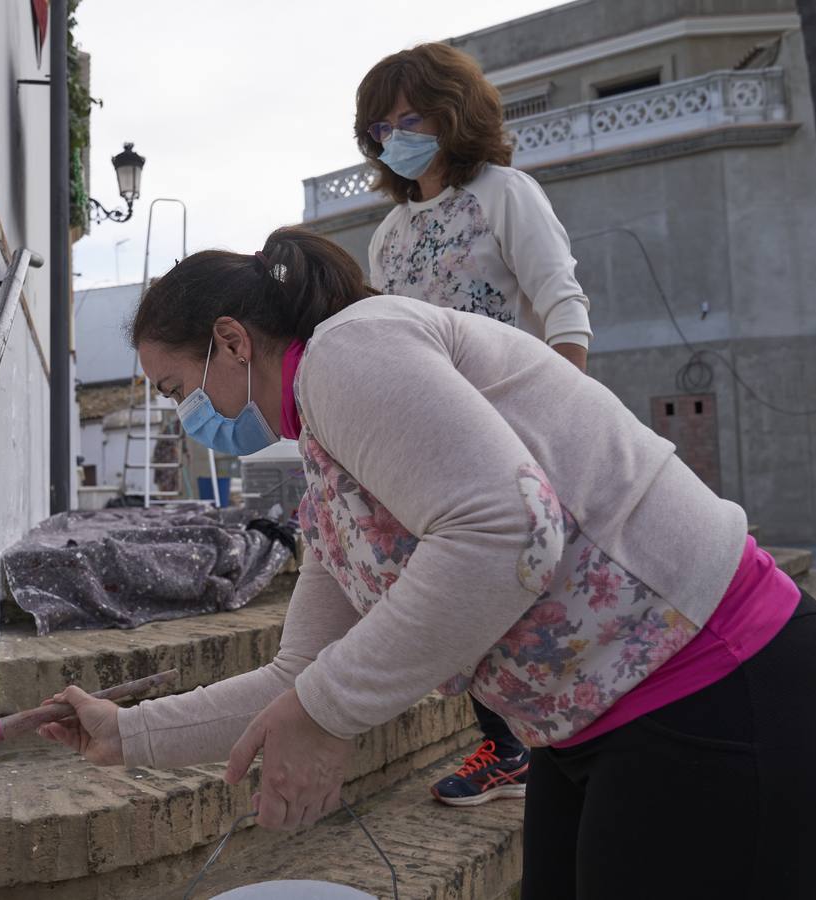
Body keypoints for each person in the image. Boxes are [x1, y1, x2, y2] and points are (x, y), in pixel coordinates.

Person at [37, 228, 816, 899]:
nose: (188, 415)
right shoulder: (331, 475)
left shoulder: (347, 351)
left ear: (230, 341)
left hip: (728, 692)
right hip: (595, 732)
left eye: (179, 384)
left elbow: (507, 529)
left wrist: (326, 716)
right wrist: (128, 734)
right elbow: (301, 672)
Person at [354, 42, 594, 804]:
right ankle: (508, 746)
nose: (397, 133)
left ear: (453, 114)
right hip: (428, 436)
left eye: (412, 115)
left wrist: (568, 412)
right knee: (459, 589)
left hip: (512, 420)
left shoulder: (503, 193)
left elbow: (561, 301)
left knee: (539, 584)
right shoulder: (387, 235)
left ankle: (570, 735)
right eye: (383, 123)